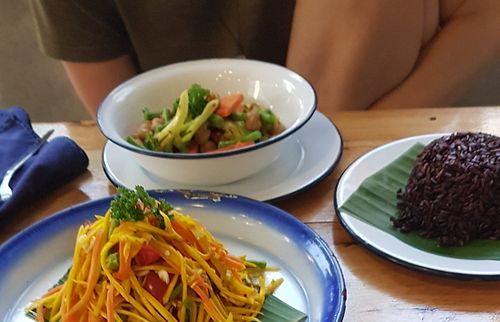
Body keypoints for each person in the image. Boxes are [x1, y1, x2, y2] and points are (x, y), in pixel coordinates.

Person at [30, 0, 500, 117]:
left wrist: (348, 140)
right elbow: (122, 118)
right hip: (184, 191)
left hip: (353, 150)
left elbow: (482, 13)